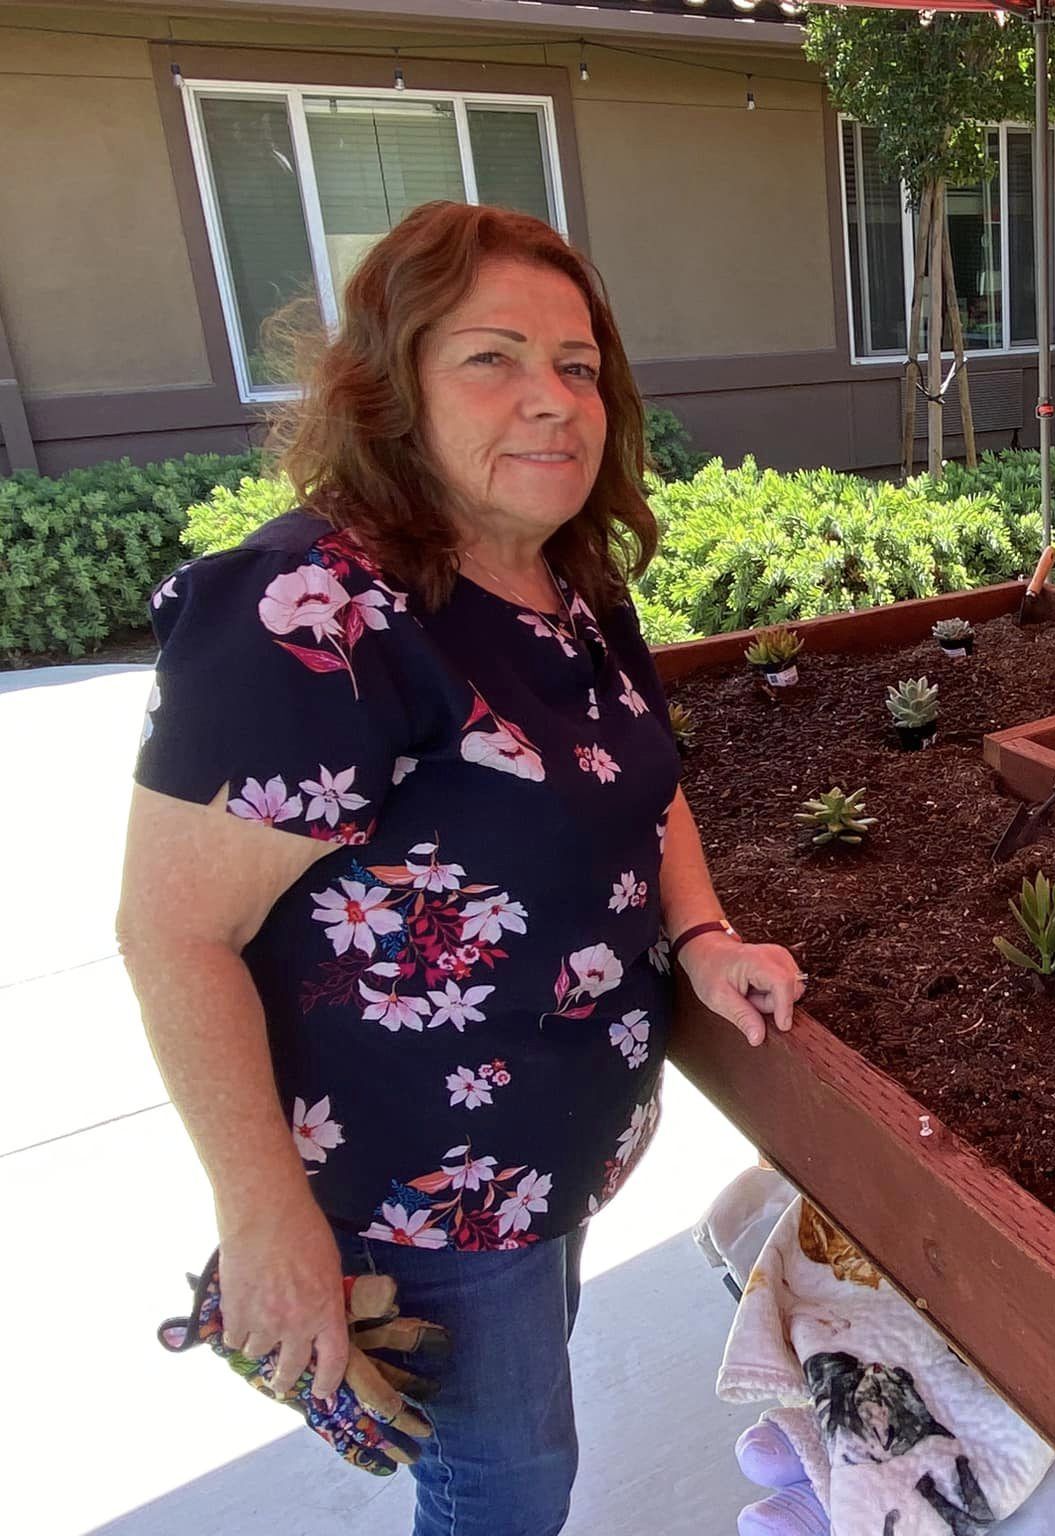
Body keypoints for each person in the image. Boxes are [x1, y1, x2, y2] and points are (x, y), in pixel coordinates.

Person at [117, 201, 803, 1536]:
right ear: (391, 390)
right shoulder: (311, 614)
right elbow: (174, 934)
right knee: (505, 1480)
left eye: (579, 366)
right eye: (492, 358)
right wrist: (263, 1222)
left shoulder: (569, 583)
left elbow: (636, 782)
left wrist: (705, 934)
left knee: (507, 1445)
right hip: (414, 1191)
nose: (552, 401)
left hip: (545, 1160)